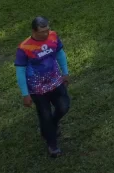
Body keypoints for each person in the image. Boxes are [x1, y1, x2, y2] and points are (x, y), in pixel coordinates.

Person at [15, 16, 70, 158]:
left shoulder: (53, 37)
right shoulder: (24, 48)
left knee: (64, 106)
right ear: (34, 31)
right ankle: (52, 145)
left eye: (47, 30)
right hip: (37, 88)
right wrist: (25, 94)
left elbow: (60, 54)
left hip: (55, 81)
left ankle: (50, 125)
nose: (46, 33)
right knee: (44, 115)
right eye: (42, 31)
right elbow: (20, 71)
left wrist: (65, 72)